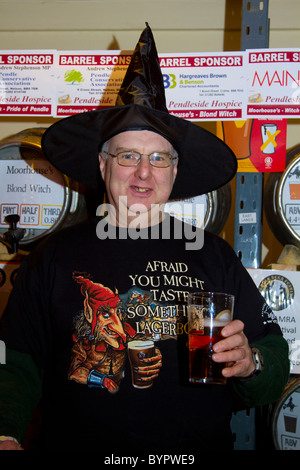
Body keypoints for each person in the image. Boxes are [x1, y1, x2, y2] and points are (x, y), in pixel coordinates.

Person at [0, 24, 289, 452]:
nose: (142, 172)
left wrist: (252, 362)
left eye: (158, 158)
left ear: (175, 171)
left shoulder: (214, 255)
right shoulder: (54, 256)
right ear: (102, 166)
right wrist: (5, 433)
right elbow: (14, 359)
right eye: (128, 155)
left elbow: (274, 353)